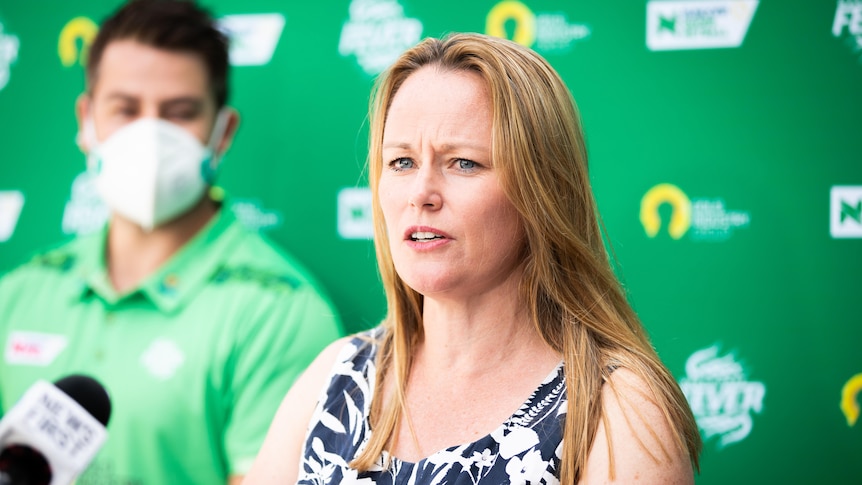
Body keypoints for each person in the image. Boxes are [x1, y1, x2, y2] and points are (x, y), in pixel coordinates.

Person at [245, 32, 701, 484]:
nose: (420, 193)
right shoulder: (335, 378)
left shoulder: (613, 408)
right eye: (401, 162)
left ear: (543, 191)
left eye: (463, 162)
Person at [0, 0, 342, 483]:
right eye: (126, 109)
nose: (150, 134)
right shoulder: (19, 295)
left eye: (178, 113)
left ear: (222, 132)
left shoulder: (279, 313)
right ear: (86, 119)